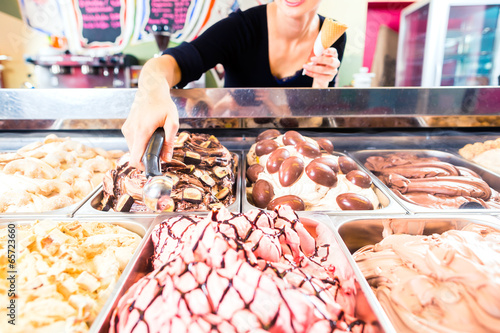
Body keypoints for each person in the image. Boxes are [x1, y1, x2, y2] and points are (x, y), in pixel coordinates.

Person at [123, 0, 346, 169]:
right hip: (230, 156)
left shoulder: (333, 36)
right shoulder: (240, 28)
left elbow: (313, 124)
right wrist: (153, 94)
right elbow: (168, 64)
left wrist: (322, 83)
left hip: (294, 161)